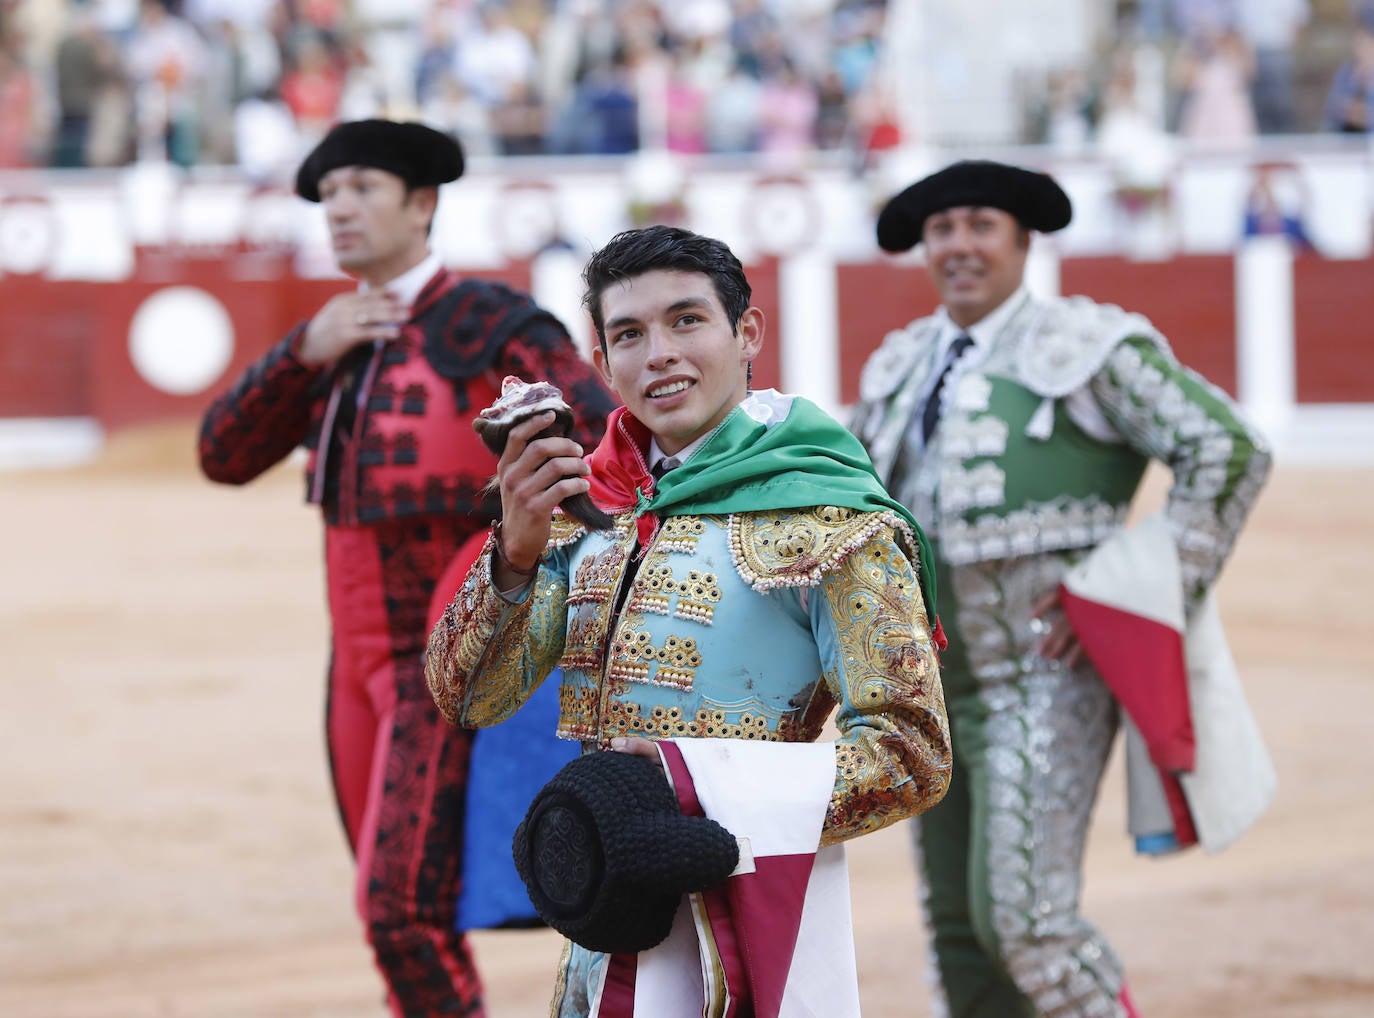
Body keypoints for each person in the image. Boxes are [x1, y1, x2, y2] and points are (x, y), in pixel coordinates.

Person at [425, 224, 953, 1016]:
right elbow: (468, 699)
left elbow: (914, 751)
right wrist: (515, 557)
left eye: (687, 321)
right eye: (629, 335)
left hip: (753, 897)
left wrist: (707, 800)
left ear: (747, 333)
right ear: (603, 365)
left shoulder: (829, 515)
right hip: (607, 911)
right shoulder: (588, 509)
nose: (659, 354)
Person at [197, 118, 615, 1017]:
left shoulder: (494, 323)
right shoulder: (334, 340)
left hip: (442, 657)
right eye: (330, 193)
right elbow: (222, 454)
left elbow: (604, 447)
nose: (339, 208)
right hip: (351, 667)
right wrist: (302, 348)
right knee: (398, 905)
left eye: (362, 188)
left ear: (422, 203)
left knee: (398, 909)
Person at [849, 160, 1271, 1018]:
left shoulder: (1087, 348)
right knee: (960, 930)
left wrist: (1134, 590)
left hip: (1043, 674)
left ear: (1023, 241)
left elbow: (1228, 450)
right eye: (943, 229)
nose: (959, 245)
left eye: (980, 225)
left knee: (1027, 927)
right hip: (926, 691)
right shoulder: (900, 366)